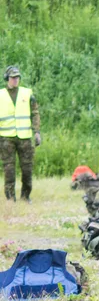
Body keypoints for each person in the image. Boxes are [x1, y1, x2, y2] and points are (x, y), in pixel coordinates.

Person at [0, 66, 40, 202]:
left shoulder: (27, 93)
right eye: (12, 77)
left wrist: (37, 132)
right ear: (7, 78)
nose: (15, 80)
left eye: (17, 77)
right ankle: (10, 198)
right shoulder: (1, 95)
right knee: (9, 170)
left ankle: (25, 196)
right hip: (6, 138)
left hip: (25, 137)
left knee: (27, 169)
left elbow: (35, 113)